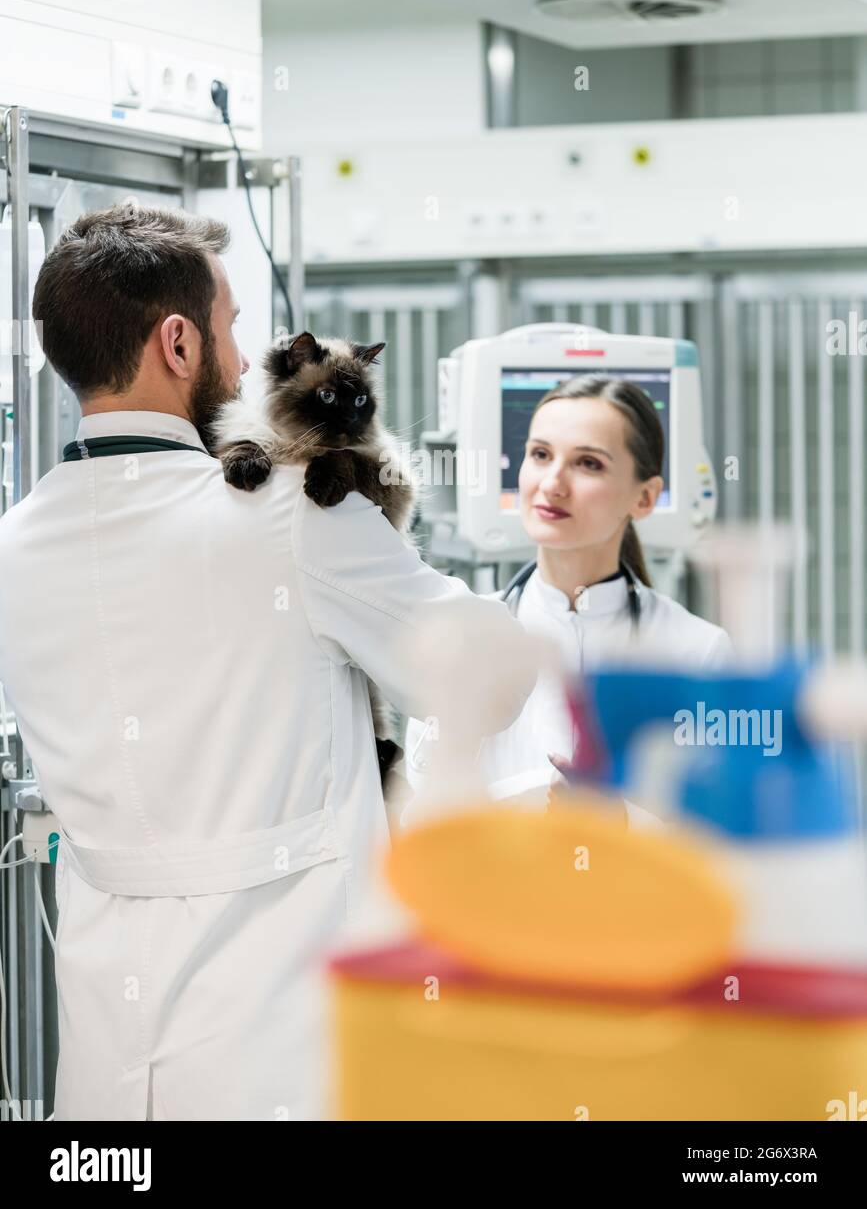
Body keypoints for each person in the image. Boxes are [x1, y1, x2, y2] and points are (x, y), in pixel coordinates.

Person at [0, 203, 535, 1121]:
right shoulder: (289, 516)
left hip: (101, 1077)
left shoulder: (13, 546)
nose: (246, 361)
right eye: (231, 326)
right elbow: (490, 674)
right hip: (283, 1059)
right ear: (177, 342)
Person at [404, 373, 731, 820]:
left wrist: (621, 818)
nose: (553, 483)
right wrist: (534, 795)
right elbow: (424, 820)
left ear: (645, 497)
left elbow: (716, 832)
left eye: (588, 464)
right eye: (540, 455)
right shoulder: (468, 641)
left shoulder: (698, 652)